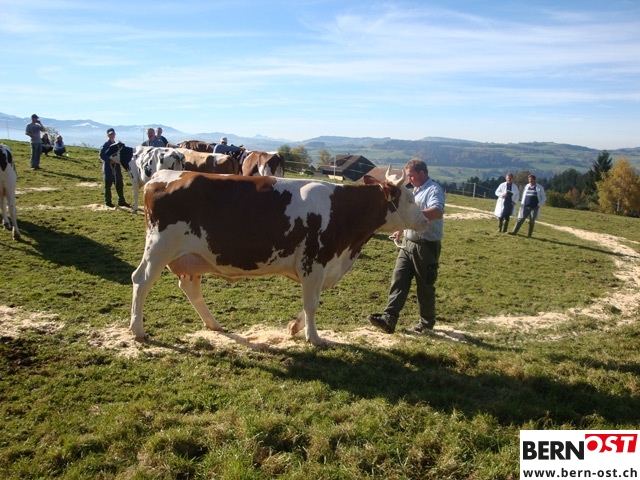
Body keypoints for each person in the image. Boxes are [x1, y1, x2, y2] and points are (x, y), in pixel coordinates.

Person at [368, 158, 445, 334]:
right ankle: (389, 319)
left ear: (422, 173)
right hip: (408, 243)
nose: (409, 179)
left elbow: (438, 211)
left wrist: (413, 217)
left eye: (411, 176)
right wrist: (402, 229)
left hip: (426, 246)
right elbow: (408, 215)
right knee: (399, 279)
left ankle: (426, 323)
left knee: (424, 286)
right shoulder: (415, 190)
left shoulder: (434, 190)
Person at [99, 128, 130, 208]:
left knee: (119, 184)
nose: (112, 135)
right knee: (108, 185)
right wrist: (109, 161)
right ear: (107, 135)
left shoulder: (117, 144)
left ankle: (121, 201)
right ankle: (108, 202)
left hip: (116, 168)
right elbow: (101, 155)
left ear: (115, 134)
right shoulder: (105, 145)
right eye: (110, 134)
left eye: (113, 134)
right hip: (108, 168)